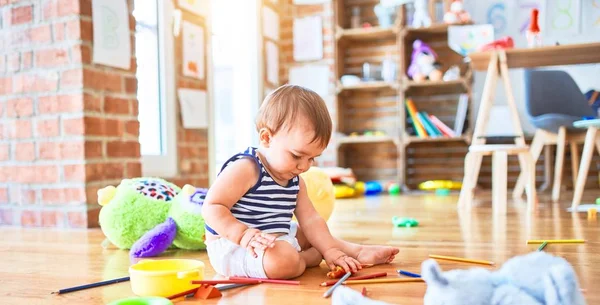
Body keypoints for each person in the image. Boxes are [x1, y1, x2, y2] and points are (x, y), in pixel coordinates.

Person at [201, 84, 399, 279]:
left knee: (312, 234)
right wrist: (242, 235)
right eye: (297, 156)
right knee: (285, 259)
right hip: (234, 246)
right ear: (267, 138)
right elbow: (211, 206)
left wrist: (329, 250)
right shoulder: (246, 168)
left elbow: (311, 220)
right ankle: (302, 260)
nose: (304, 166)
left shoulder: (295, 181)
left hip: (274, 239)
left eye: (312, 158)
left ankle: (353, 250)